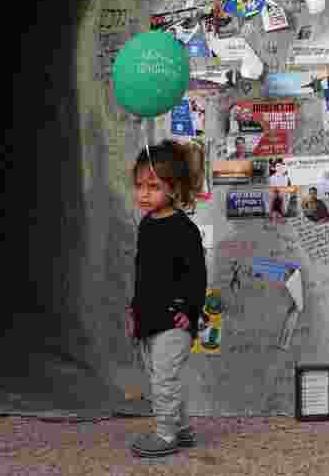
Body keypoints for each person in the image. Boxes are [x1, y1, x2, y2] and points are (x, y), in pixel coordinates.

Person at [126, 141, 207, 457]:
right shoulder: (147, 225)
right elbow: (144, 273)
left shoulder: (184, 230)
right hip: (149, 317)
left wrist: (190, 311)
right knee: (162, 378)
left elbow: (196, 276)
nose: (143, 194)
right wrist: (134, 309)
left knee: (164, 378)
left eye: (153, 186)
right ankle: (183, 429)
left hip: (175, 320)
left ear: (173, 189)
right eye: (139, 186)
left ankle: (165, 435)